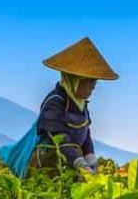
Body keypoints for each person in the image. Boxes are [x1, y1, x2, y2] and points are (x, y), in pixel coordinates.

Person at [28, 37, 119, 173]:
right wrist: (78, 161)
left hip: (71, 163)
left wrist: (90, 155)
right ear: (75, 81)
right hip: (50, 163)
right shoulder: (55, 102)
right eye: (90, 82)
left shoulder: (81, 105)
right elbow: (59, 136)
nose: (94, 87)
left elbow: (85, 133)